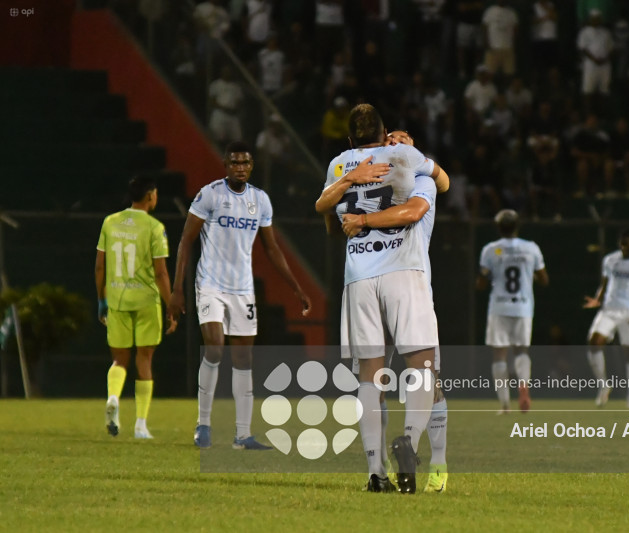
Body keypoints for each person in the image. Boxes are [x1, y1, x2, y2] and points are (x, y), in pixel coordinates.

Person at [315, 104, 449, 494]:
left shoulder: (339, 165)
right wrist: (417, 155)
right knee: (423, 369)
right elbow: (438, 187)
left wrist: (354, 214)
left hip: (358, 276)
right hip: (404, 272)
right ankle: (411, 442)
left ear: (349, 138)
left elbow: (328, 218)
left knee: (369, 377)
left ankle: (376, 473)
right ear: (387, 131)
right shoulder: (406, 159)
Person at [168, 141, 311, 450]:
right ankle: (202, 424)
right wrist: (177, 288)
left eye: (245, 163)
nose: (240, 168)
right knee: (216, 349)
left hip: (242, 289)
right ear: (225, 165)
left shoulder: (260, 201)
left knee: (244, 359)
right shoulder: (210, 195)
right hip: (210, 285)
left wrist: (296, 287)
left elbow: (271, 248)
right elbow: (185, 241)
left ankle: (242, 435)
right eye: (235, 163)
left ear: (252, 166)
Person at [96, 176, 177, 439]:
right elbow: (161, 273)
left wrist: (101, 300)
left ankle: (113, 398)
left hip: (117, 299)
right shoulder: (155, 227)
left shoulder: (110, 222)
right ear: (151, 195)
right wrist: (171, 306)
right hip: (145, 302)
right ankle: (140, 425)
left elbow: (100, 266)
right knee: (145, 359)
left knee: (119, 359)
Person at [477, 209, 548, 414]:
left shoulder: (490, 249)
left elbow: (481, 283)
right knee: (521, 351)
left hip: (499, 306)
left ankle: (505, 405)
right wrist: (531, 276)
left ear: (498, 227)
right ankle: (523, 388)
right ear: (518, 226)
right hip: (523, 306)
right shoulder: (531, 248)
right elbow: (544, 280)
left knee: (499, 356)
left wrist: (485, 276)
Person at [583, 230, 629, 409]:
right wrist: (598, 298)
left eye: (627, 244)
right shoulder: (610, 260)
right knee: (594, 342)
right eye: (621, 244)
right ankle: (603, 385)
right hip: (609, 310)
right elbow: (604, 283)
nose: (624, 247)